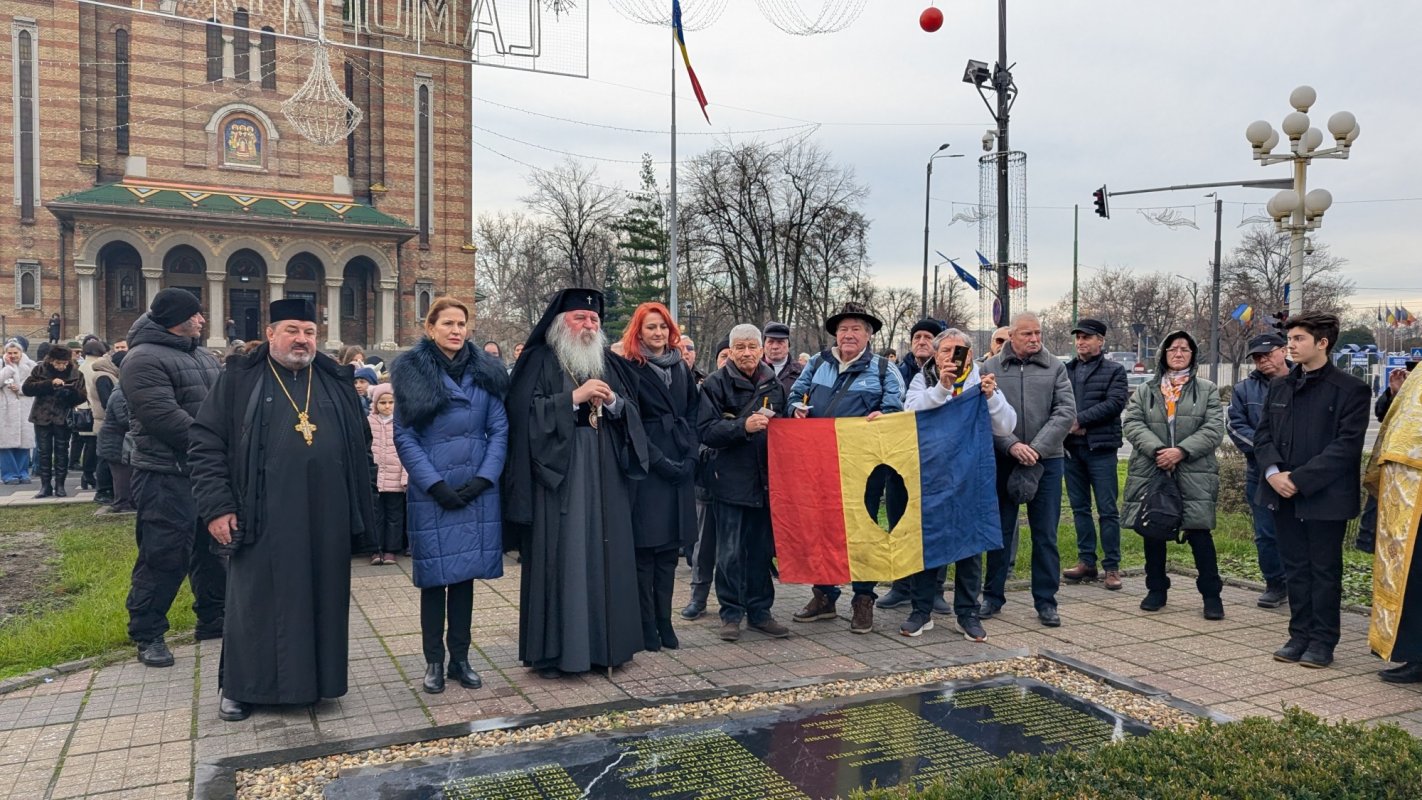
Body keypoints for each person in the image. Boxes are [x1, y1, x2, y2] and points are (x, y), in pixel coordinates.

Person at [188, 298, 374, 722]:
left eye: (309, 332)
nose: (302, 339)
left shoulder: (331, 379)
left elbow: (359, 444)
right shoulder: (239, 378)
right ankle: (241, 688)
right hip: (260, 514)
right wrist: (217, 507)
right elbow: (205, 443)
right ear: (271, 333)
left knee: (320, 599)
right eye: (292, 330)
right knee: (254, 603)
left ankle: (314, 685)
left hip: (325, 516)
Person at [504, 289, 649, 678]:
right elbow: (522, 416)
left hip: (606, 476)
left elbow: (633, 412)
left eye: (594, 321)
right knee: (563, 559)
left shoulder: (608, 363)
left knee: (608, 555)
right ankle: (555, 654)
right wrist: (573, 397)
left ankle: (608, 647)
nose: (588, 326)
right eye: (580, 318)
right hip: (558, 479)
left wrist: (615, 404)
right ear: (559, 323)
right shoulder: (538, 360)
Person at [392, 297, 509, 693]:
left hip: (475, 491)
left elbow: (500, 430)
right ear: (431, 328)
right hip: (434, 492)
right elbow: (405, 437)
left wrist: (483, 479)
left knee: (464, 581)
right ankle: (433, 663)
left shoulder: (487, 373)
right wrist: (435, 484)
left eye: (462, 323)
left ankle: (460, 658)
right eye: (448, 324)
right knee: (434, 581)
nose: (457, 330)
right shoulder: (412, 373)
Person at [1254, 312, 1370, 670]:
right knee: (1295, 568)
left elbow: (1346, 447)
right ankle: (1299, 634)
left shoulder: (1351, 389)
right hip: (1281, 493)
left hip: (1324, 498)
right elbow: (1263, 435)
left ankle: (1323, 641)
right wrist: (1273, 473)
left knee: (1323, 569)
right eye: (1290, 338)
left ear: (1322, 343)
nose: (1291, 345)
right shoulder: (1280, 385)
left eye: (1299, 338)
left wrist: (1299, 479)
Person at [120, 288, 225, 668]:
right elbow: (162, 416)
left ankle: (214, 617)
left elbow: (223, 404)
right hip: (164, 474)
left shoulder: (201, 355)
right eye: (195, 314)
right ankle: (148, 633)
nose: (202, 320)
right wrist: (215, 442)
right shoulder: (142, 359)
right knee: (163, 554)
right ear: (176, 319)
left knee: (213, 549)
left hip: (205, 473)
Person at [789, 302, 906, 634]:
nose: (848, 334)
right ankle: (824, 596)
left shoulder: (885, 370)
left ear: (868, 335)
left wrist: (884, 416)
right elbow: (795, 396)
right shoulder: (816, 364)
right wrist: (797, 407)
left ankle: (863, 598)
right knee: (823, 528)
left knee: (864, 532)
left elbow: (896, 411)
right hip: (821, 464)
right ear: (835, 335)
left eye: (856, 328)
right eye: (843, 329)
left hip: (865, 469)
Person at [901, 328, 1017, 640]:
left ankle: (967, 614)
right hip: (930, 475)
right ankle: (921, 611)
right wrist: (942, 388)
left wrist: (991, 397)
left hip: (971, 475)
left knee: (971, 544)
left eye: (960, 349)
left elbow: (1007, 425)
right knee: (927, 543)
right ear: (936, 356)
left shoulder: (982, 380)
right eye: (946, 350)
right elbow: (909, 412)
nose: (953, 356)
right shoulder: (923, 380)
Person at [1121, 331, 1227, 619]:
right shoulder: (1146, 389)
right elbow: (1132, 422)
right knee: (1153, 529)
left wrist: (1180, 451)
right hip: (1152, 467)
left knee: (1199, 532)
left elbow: (1214, 429)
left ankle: (1211, 595)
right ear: (1163, 354)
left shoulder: (1206, 389)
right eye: (1172, 349)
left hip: (1194, 470)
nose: (1178, 353)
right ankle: (1156, 589)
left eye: (1185, 349)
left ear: (1193, 355)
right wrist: (1159, 451)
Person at [980, 312, 1075, 628]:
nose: (1035, 339)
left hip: (1046, 461)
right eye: (1028, 334)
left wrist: (1035, 448)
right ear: (1011, 337)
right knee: (1000, 533)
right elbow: (982, 414)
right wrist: (1011, 445)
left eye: (1038, 333)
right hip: (1004, 459)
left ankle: (1046, 602)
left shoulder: (1055, 367)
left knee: (1045, 534)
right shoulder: (991, 368)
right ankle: (992, 597)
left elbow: (1065, 412)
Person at [698, 324, 790, 641]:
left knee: (761, 552)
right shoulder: (714, 384)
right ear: (731, 350)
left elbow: (784, 426)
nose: (747, 353)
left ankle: (760, 612)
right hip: (730, 481)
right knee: (729, 553)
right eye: (741, 347)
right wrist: (743, 427)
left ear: (762, 349)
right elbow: (706, 431)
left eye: (752, 347)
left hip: (765, 482)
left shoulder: (773, 383)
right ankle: (730, 614)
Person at [619, 302, 700, 651]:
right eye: (651, 327)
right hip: (648, 468)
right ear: (639, 332)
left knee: (669, 553)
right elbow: (630, 423)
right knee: (646, 554)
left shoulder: (680, 367)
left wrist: (691, 455)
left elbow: (696, 412)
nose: (658, 333)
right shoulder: (629, 368)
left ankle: (666, 621)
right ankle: (646, 623)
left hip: (680, 464)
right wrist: (660, 461)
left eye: (663, 327)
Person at [1061, 318, 1130, 590]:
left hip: (1100, 449)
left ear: (1100, 341)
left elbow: (1114, 403)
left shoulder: (1115, 371)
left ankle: (1111, 567)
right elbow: (1056, 402)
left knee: (1107, 510)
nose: (1081, 342)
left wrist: (1079, 421)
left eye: (1087, 337)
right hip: (1071, 449)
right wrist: (1068, 426)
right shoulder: (1065, 370)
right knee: (1079, 508)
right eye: (1078, 337)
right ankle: (1086, 562)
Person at [1365, 365, 1422, 683]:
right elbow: (1394, 423)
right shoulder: (1419, 373)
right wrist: (1394, 394)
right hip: (1410, 496)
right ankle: (1416, 656)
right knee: (1412, 577)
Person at [1227, 332, 1292, 607]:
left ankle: (1300, 583)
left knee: (1301, 532)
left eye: (1267, 353)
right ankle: (1275, 584)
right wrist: (1268, 457)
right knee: (1265, 533)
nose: (1263, 360)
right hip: (1261, 471)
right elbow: (1235, 426)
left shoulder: (1304, 380)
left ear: (1283, 350)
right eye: (1256, 357)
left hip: (1300, 470)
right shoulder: (1244, 389)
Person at [23, 344, 85, 497]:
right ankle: (45, 486)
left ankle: (60, 485)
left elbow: (82, 395)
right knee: (44, 452)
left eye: (64, 363)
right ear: (51, 360)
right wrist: (49, 384)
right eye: (58, 363)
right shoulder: (40, 370)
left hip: (62, 417)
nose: (61, 366)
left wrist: (70, 392)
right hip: (42, 415)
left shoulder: (76, 373)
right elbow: (27, 388)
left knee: (62, 451)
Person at [366, 383, 407, 566]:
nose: (387, 406)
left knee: (394, 516)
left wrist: (406, 476)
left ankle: (391, 549)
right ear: (376, 404)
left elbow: (407, 452)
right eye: (383, 402)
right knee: (375, 515)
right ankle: (376, 548)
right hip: (375, 478)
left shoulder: (402, 423)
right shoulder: (369, 422)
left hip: (395, 478)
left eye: (391, 402)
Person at [84, 341, 123, 504]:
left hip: (107, 420)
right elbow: (107, 402)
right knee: (106, 457)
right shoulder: (104, 376)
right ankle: (103, 490)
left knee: (108, 456)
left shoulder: (109, 374)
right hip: (105, 421)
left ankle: (108, 489)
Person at [96, 370, 135, 514]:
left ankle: (127, 501)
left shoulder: (121, 392)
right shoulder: (120, 394)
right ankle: (122, 503)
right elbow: (123, 419)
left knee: (125, 473)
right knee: (122, 475)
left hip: (115, 440)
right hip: (113, 441)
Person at [70, 338, 106, 492]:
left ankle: (87, 475)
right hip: (94, 410)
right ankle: (89, 475)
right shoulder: (96, 367)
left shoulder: (82, 366)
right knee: (94, 446)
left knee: (88, 445)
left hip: (82, 409)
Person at [1, 341, 36, 484]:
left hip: (25, 407)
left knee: (24, 443)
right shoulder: (2, 365)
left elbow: (35, 385)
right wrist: (9, 368)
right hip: (5, 410)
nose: (13, 355)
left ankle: (23, 473)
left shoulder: (31, 366)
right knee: (5, 445)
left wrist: (21, 388)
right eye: (10, 353)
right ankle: (9, 474)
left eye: (16, 353)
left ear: (21, 353)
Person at [762, 322, 802, 398]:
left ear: (788, 345)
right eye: (770, 342)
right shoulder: (752, 370)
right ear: (764, 344)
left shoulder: (801, 373)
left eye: (780, 342)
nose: (775, 347)